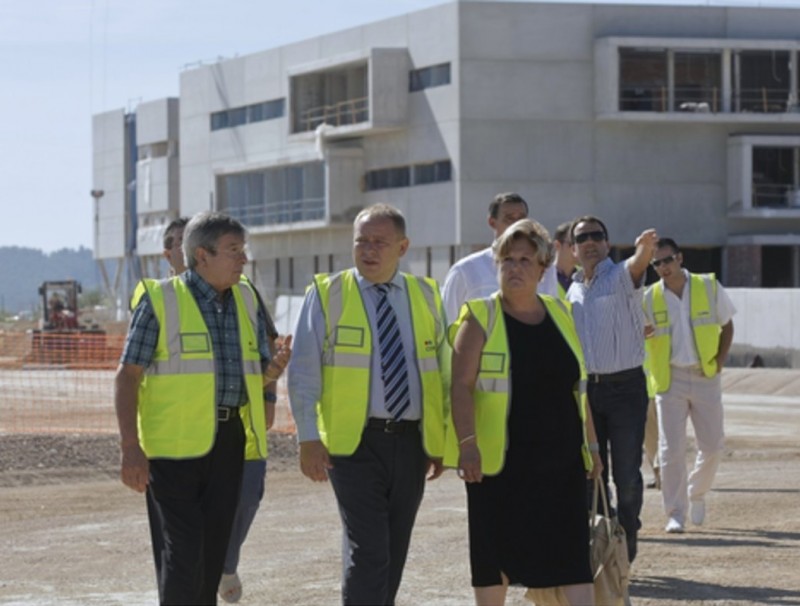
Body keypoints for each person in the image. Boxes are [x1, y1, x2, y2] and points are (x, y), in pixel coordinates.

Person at [115, 211, 292, 605]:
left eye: (242, 250)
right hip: (173, 449)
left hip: (228, 442)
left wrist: (272, 370)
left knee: (213, 554)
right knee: (184, 555)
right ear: (201, 255)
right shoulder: (160, 300)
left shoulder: (246, 297)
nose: (243, 259)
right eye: (233, 250)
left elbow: (253, 372)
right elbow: (127, 377)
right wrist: (130, 447)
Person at [287, 203, 450, 605]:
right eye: (362, 241)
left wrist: (440, 442)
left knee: (393, 550)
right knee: (370, 550)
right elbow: (304, 371)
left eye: (380, 242)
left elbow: (442, 376)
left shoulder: (426, 295)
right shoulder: (327, 295)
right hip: (352, 445)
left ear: (403, 246)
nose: (369, 250)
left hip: (411, 443)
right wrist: (308, 437)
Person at [446, 218, 602, 606]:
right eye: (507, 260)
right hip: (498, 462)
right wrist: (467, 446)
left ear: (543, 268)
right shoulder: (480, 317)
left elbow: (577, 388)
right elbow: (460, 386)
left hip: (561, 460)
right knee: (493, 555)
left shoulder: (559, 312)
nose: (514, 268)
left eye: (524, 261)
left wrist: (594, 447)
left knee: (570, 557)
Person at [566, 215, 658, 563]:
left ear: (606, 243)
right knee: (592, 471)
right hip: (588, 393)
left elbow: (637, 265)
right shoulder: (572, 290)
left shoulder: (622, 275)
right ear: (573, 249)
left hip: (626, 390)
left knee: (627, 475)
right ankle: (603, 543)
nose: (590, 242)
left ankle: (628, 531)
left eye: (596, 236)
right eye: (582, 238)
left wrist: (645, 249)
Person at [643, 237, 735, 533]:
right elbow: (638, 334)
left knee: (713, 446)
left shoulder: (707, 286)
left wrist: (719, 361)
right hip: (669, 378)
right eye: (656, 263)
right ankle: (675, 513)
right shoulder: (649, 297)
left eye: (667, 260)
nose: (663, 267)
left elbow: (727, 324)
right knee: (670, 449)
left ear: (679, 258)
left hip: (705, 374)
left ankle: (695, 492)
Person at [441, 192, 557, 323]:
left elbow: (551, 316)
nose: (516, 224)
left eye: (521, 218)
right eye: (509, 218)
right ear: (492, 222)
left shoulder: (544, 267)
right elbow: (447, 324)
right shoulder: (465, 271)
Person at [553, 221, 578, 300]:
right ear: (557, 245)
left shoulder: (586, 277)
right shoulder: (541, 276)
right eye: (572, 244)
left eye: (579, 244)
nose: (577, 249)